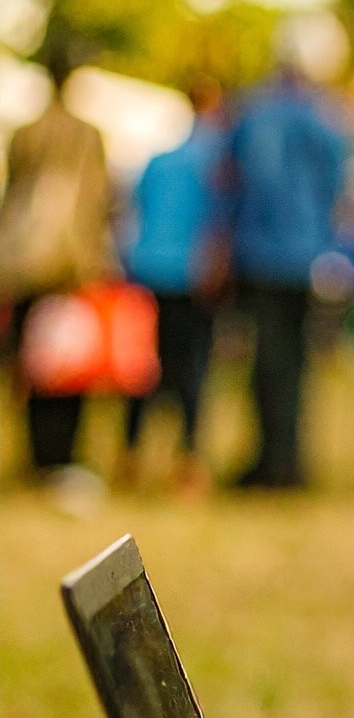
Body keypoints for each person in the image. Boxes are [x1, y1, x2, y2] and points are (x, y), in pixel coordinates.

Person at [219, 30, 354, 489]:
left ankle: (269, 457)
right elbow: (340, 186)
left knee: (264, 360)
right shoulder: (324, 116)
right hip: (302, 257)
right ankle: (288, 459)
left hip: (256, 254)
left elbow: (229, 179)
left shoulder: (249, 110)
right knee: (295, 363)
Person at [0, 32, 115, 492]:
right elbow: (100, 201)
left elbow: (12, 197)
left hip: (29, 265)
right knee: (70, 367)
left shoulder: (26, 133)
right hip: (72, 265)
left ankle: (37, 455)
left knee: (33, 363)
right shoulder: (88, 135)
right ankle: (63, 457)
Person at [120, 73, 229, 491]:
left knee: (145, 370)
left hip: (148, 270)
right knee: (191, 371)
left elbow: (136, 210)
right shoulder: (218, 161)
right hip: (192, 274)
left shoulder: (159, 159)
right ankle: (188, 464)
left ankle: (129, 456)